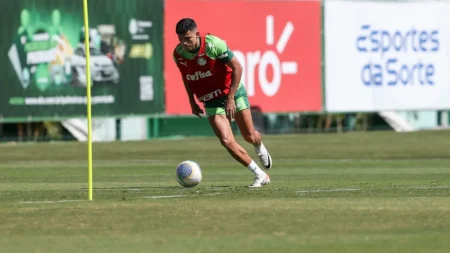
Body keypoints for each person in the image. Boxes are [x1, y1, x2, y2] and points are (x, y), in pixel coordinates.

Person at [173, 18, 273, 188]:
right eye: (180, 39)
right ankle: (260, 175)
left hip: (232, 93)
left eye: (188, 38)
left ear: (197, 34)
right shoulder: (179, 54)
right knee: (226, 141)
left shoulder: (213, 45)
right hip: (211, 100)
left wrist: (231, 98)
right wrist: (192, 100)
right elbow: (186, 77)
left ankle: (258, 144)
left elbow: (237, 68)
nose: (184, 43)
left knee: (249, 136)